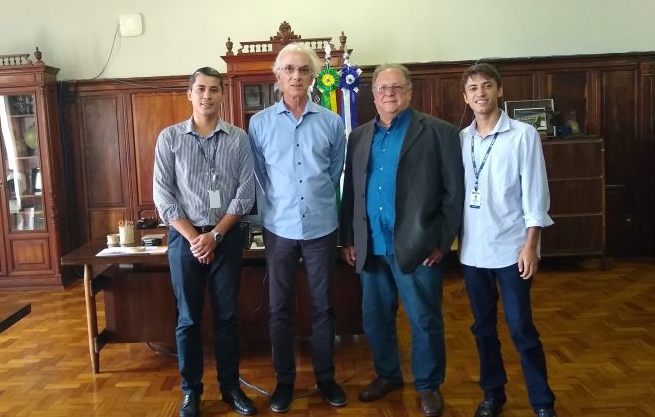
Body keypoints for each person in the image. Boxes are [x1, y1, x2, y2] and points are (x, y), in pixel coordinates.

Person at [339, 64, 464, 417]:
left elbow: (453, 194)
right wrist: (349, 237)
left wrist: (442, 240)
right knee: (375, 318)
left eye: (396, 87)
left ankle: (428, 386)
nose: (389, 93)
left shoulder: (439, 132)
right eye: (382, 88)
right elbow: (353, 192)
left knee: (424, 319)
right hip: (370, 245)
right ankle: (388, 375)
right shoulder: (359, 136)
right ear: (373, 94)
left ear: (410, 91)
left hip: (419, 245)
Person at [248, 42, 348, 413]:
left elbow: (335, 170)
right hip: (279, 229)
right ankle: (284, 382)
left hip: (322, 228)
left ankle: (325, 378)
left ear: (313, 77)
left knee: (324, 307)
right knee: (279, 309)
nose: (295, 76)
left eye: (303, 70)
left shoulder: (332, 122)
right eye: (288, 69)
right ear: (277, 77)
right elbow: (260, 175)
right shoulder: (258, 124)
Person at [153, 67, 257, 417]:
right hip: (186, 239)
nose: (207, 95)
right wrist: (196, 237)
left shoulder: (239, 139)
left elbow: (245, 193)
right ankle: (191, 391)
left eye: (214, 89)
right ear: (189, 94)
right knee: (188, 320)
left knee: (227, 317)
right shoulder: (169, 138)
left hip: (224, 237)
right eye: (200, 89)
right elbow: (163, 195)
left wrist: (215, 235)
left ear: (223, 95)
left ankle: (230, 388)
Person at [458, 63, 558, 417]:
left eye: (487, 86)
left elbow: (535, 194)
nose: (480, 93)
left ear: (499, 90)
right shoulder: (462, 139)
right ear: (466, 97)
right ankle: (493, 394)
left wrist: (531, 245)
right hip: (473, 253)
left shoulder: (522, 135)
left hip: (513, 251)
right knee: (483, 329)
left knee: (521, 329)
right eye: (473, 88)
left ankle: (542, 401)